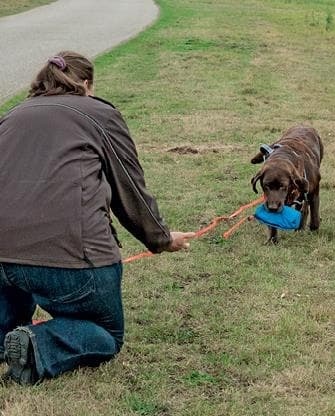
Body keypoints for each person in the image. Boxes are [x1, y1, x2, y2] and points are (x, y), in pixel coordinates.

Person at [0, 51, 195, 385]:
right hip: (72, 261)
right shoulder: (99, 113)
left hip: (2, 260)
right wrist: (161, 239)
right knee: (105, 334)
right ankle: (36, 346)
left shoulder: (10, 117)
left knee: (11, 301)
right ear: (86, 85)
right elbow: (130, 189)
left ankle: (7, 335)